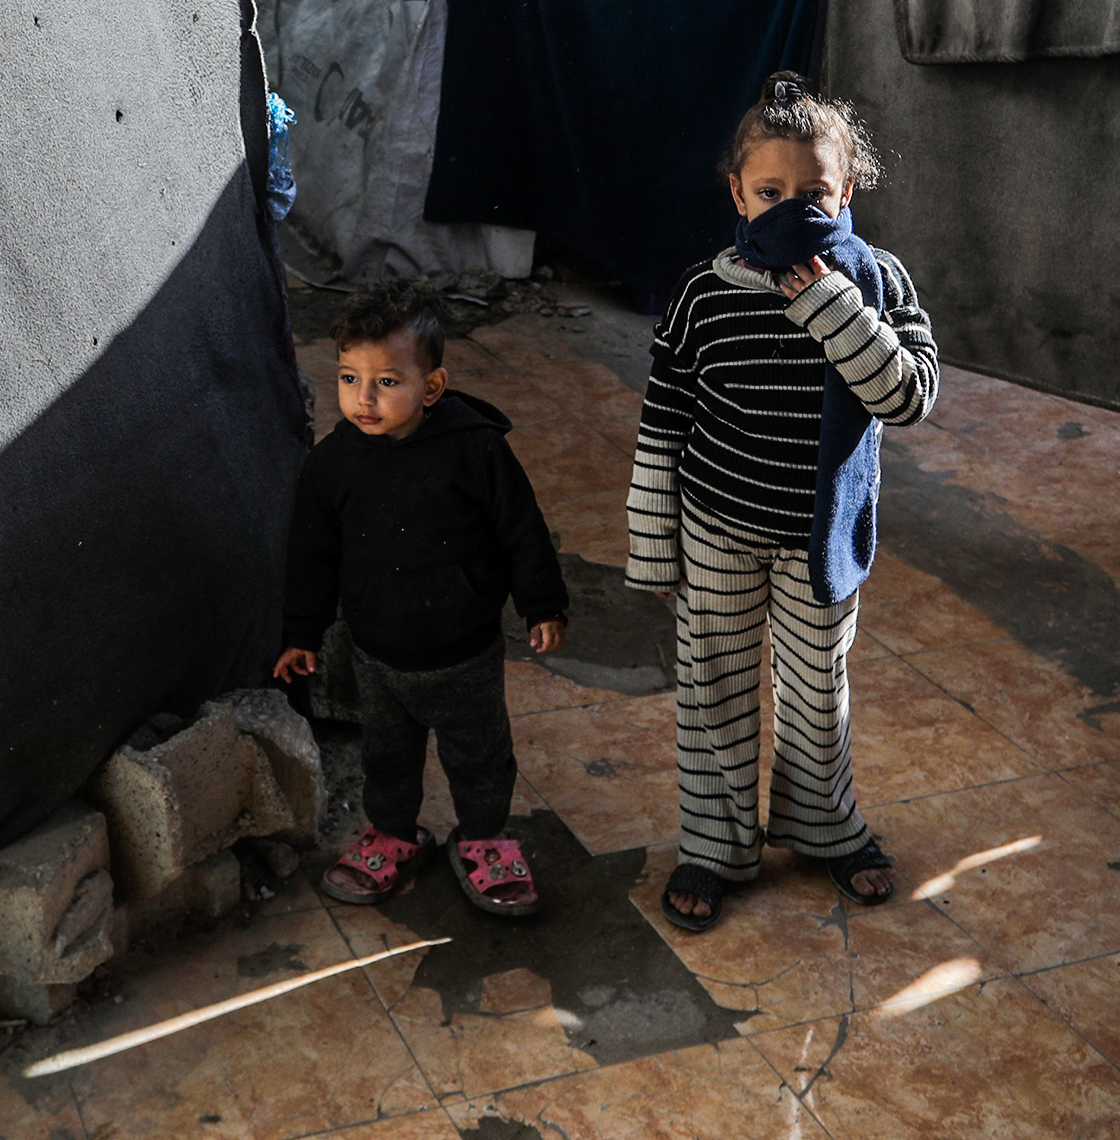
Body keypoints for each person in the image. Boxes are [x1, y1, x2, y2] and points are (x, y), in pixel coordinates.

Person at [628, 71, 939, 933]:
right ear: (738, 193)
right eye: (770, 192)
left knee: (815, 687)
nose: (791, 207)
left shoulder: (877, 283)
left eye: (813, 192)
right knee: (714, 686)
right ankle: (714, 847)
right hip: (718, 529)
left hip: (822, 536)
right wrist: (655, 544)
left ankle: (825, 828)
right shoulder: (705, 293)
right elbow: (665, 421)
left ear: (847, 191)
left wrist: (833, 307)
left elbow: (908, 397)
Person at [275, 279, 569, 918]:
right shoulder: (332, 466)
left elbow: (521, 528)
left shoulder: (475, 450)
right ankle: (392, 836)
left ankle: (486, 839)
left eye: (387, 381)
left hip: (462, 650)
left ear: (431, 386)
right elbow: (312, 556)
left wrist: (542, 604)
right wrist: (303, 632)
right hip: (376, 653)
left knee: (479, 753)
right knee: (387, 755)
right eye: (350, 378)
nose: (364, 399)